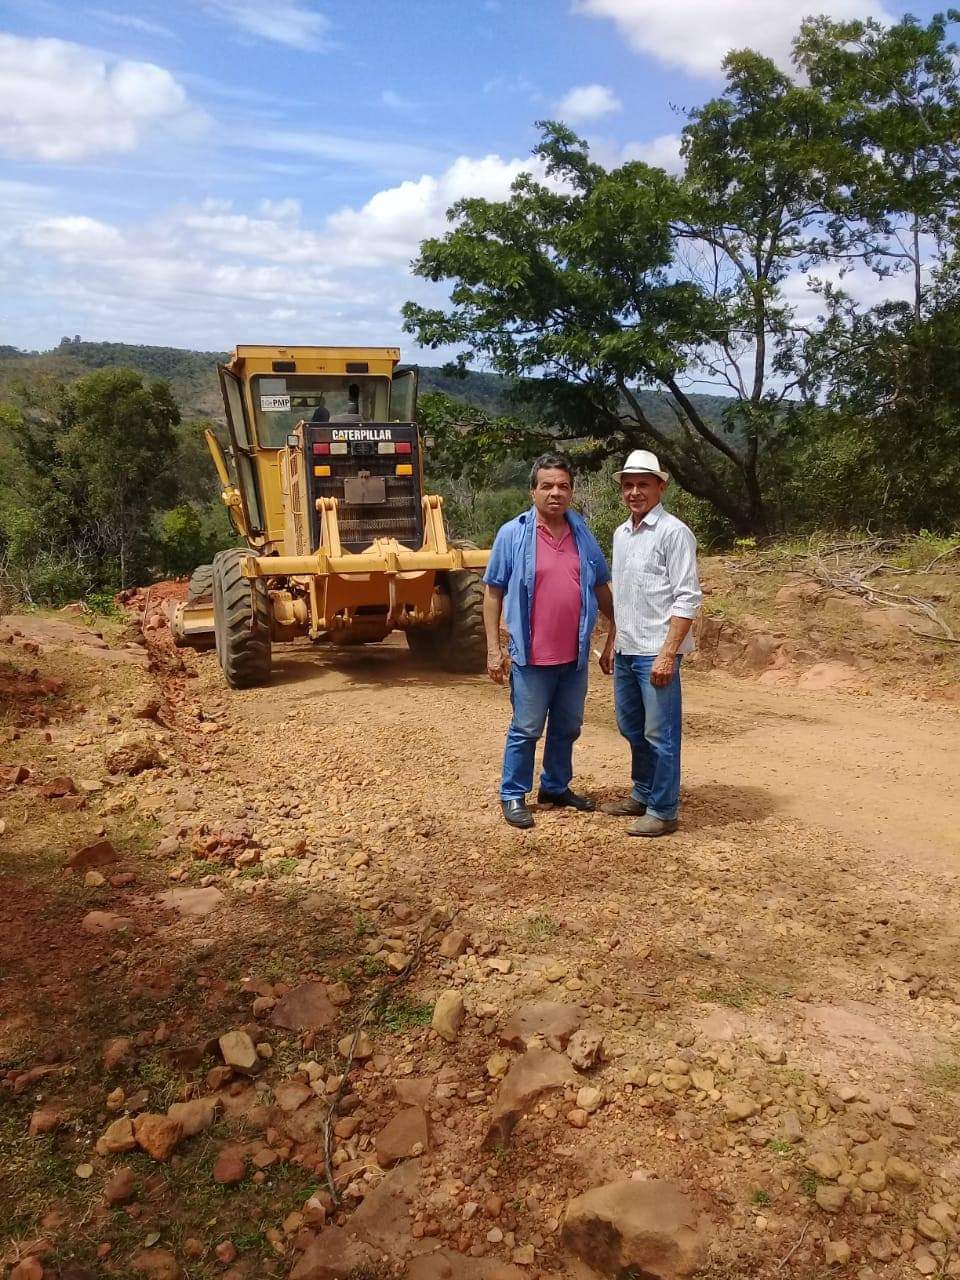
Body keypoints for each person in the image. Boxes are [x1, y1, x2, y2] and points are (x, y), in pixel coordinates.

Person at [483, 452, 614, 829]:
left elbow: (601, 587)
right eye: (547, 486)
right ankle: (512, 793)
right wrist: (494, 650)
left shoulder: (583, 533)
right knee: (526, 728)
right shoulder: (513, 534)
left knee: (568, 726)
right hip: (531, 657)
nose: (555, 493)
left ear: (571, 491)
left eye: (563, 486)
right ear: (532, 491)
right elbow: (492, 594)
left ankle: (555, 786)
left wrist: (613, 636)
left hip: (573, 657)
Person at [599, 449, 702, 837]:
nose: (634, 492)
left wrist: (668, 653)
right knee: (632, 728)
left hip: (656, 653)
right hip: (627, 650)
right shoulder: (622, 533)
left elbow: (687, 597)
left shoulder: (674, 533)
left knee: (661, 734)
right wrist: (612, 641)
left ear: (661, 486)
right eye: (628, 485)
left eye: (643, 484)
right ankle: (641, 793)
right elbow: (623, 595)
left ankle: (663, 809)